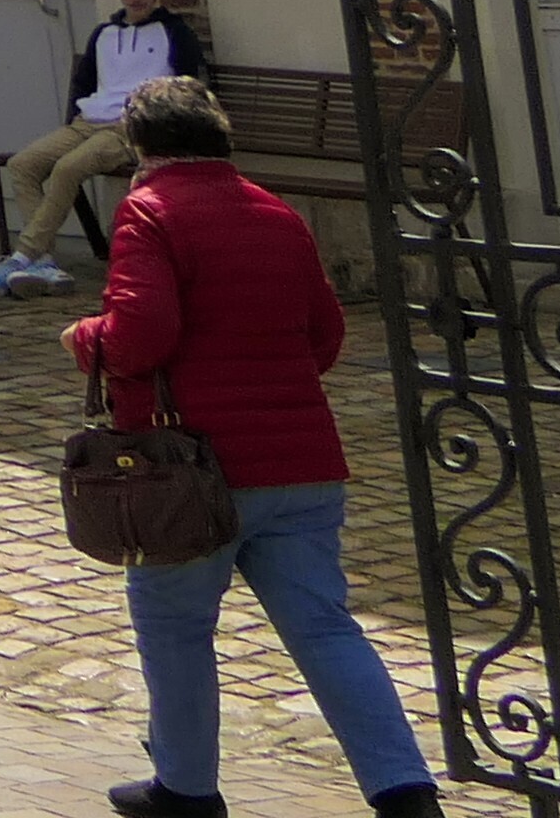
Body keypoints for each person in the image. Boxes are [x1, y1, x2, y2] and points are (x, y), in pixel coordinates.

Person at [67, 74, 439, 818]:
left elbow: (140, 337)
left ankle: (186, 790)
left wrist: (86, 338)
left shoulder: (149, 211)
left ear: (141, 146)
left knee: (176, 629)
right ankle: (405, 793)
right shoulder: (275, 212)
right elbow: (324, 336)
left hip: (189, 473)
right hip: (301, 464)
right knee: (326, 630)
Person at [0, 0, 206, 297]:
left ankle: (23, 256)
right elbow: (84, 84)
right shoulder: (104, 34)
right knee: (24, 164)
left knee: (68, 168)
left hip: (134, 127)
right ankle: (44, 264)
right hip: (88, 121)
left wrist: (167, 132)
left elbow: (191, 86)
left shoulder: (174, 32)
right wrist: (75, 121)